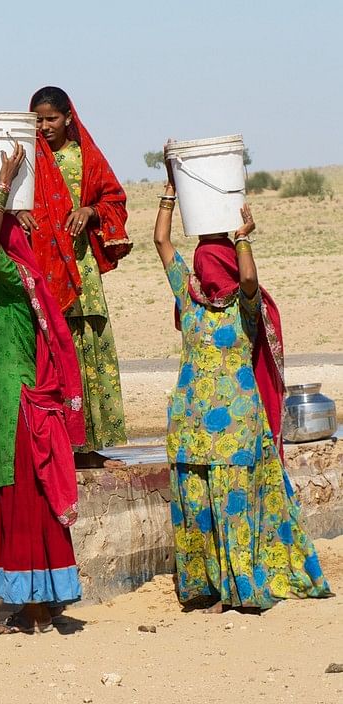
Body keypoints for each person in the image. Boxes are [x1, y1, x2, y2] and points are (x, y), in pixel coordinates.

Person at [153, 161, 330, 612]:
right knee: (196, 506)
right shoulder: (187, 298)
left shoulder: (243, 307)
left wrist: (243, 237)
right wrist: (172, 192)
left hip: (235, 427)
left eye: (213, 267)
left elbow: (250, 279)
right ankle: (204, 587)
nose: (205, 274)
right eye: (200, 266)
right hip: (191, 423)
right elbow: (160, 241)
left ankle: (239, 590)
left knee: (234, 509)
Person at [0, 144, 85, 634]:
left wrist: (3, 183)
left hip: (19, 404)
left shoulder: (15, 281)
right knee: (6, 498)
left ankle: (36, 606)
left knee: (26, 501)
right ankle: (29, 600)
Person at [14, 86, 130, 468]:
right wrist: (18, 216)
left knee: (88, 354)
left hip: (82, 272)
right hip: (44, 271)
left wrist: (90, 212)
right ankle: (58, 442)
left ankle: (90, 444)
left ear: (68, 118)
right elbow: (4, 203)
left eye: (51, 119)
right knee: (53, 356)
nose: (45, 127)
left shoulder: (85, 159)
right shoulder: (24, 161)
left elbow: (113, 200)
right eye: (38, 120)